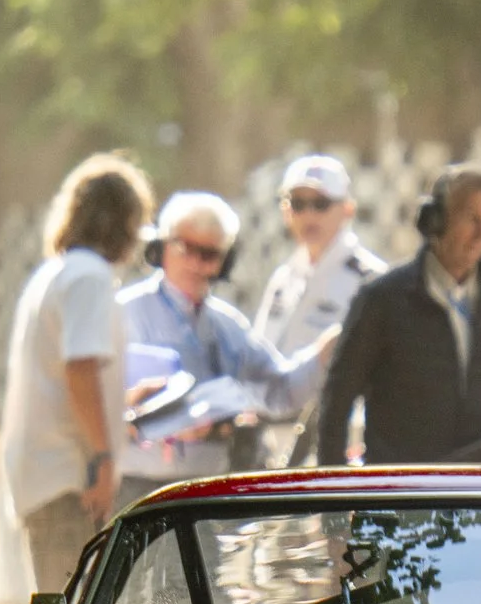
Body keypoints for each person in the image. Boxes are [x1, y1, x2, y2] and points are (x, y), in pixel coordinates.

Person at [116, 190, 332, 504]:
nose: (195, 263)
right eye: (185, 248)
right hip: (141, 487)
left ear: (224, 261)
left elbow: (281, 390)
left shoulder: (228, 326)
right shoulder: (124, 314)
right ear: (160, 248)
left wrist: (323, 353)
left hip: (209, 491)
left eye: (208, 254)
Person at [0, 152, 153, 593]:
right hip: (68, 478)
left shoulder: (56, 274)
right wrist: (104, 458)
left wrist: (120, 407)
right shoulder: (89, 277)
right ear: (122, 221)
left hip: (44, 473)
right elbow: (79, 371)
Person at [314, 164, 481, 465]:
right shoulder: (382, 300)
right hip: (401, 498)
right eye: (472, 219)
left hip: (479, 500)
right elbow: (336, 404)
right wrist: (334, 499)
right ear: (436, 221)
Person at [254, 155, 388, 463]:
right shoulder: (282, 279)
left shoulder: (370, 281)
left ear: (347, 209)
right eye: (298, 203)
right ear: (285, 211)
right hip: (273, 444)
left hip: (336, 444)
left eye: (321, 203)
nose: (309, 214)